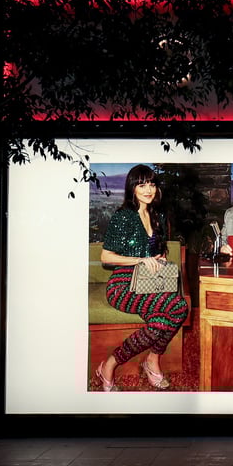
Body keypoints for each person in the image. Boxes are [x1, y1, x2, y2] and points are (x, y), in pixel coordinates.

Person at [95, 165, 189, 392]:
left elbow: (159, 251)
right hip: (123, 285)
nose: (148, 189)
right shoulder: (123, 216)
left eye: (152, 184)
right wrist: (139, 260)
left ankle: (152, 360)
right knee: (172, 311)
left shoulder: (158, 215)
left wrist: (159, 258)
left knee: (176, 309)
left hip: (150, 282)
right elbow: (106, 257)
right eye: (142, 184)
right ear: (132, 188)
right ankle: (109, 365)